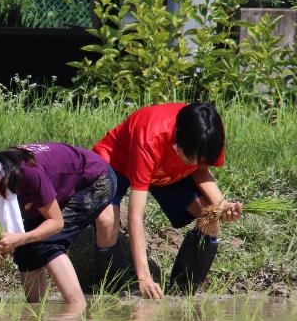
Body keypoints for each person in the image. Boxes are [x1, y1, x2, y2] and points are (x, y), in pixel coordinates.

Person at [0, 143, 117, 306]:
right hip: (52, 194)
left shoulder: (27, 174)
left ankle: (76, 310)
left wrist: (20, 238)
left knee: (48, 243)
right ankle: (34, 320)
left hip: (95, 181)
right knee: (25, 253)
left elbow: (56, 223)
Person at [93, 102, 243, 299]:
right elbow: (136, 215)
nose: (194, 164)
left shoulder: (210, 133)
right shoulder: (150, 136)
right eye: (190, 158)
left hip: (166, 172)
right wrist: (144, 277)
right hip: (116, 163)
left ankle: (181, 295)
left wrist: (221, 205)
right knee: (106, 221)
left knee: (210, 218)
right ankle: (119, 289)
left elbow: (200, 170)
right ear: (177, 139)